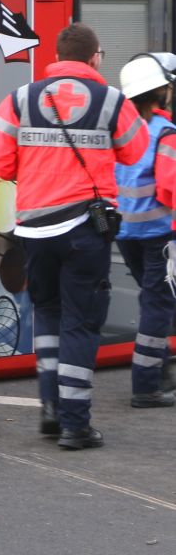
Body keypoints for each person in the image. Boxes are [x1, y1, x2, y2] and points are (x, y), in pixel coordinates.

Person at [0, 23, 147, 449]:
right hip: (85, 229)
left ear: (56, 57)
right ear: (95, 58)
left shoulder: (21, 99)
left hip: (34, 228)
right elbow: (135, 151)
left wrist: (31, 170)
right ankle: (75, 425)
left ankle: (52, 410)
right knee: (81, 322)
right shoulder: (111, 101)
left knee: (48, 314)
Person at [113, 53, 176, 407]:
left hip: (126, 235)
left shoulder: (121, 131)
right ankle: (147, 386)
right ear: (160, 93)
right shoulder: (166, 134)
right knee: (158, 304)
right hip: (160, 236)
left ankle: (160, 366)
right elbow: (170, 186)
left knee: (153, 299)